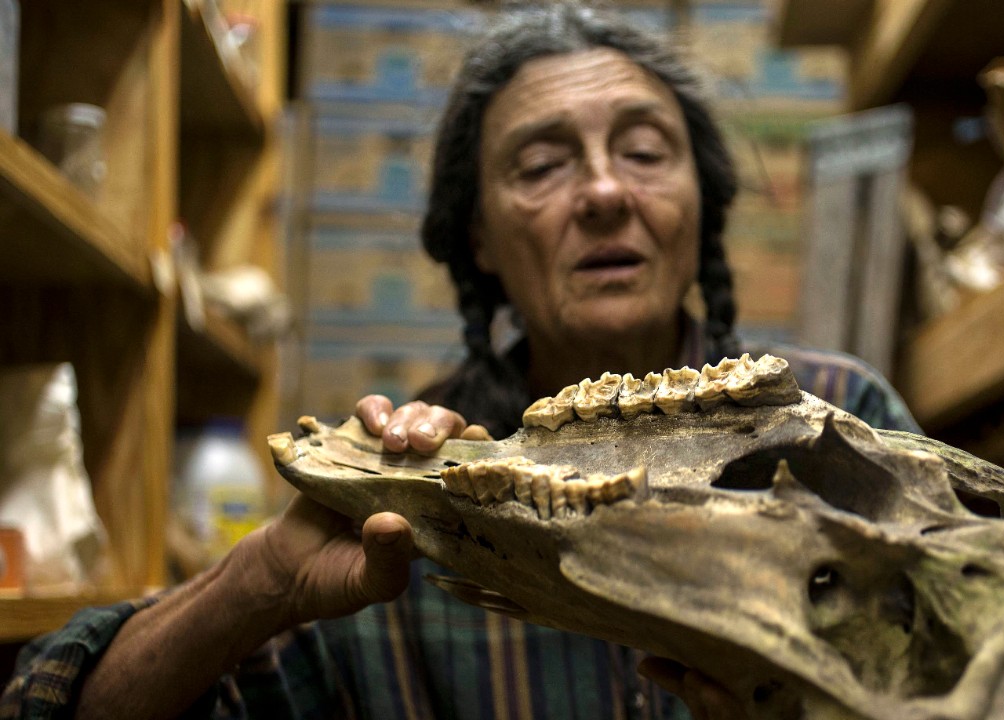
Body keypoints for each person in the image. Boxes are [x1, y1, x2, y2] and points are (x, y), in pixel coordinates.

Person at [1, 4, 920, 719]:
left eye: (644, 152)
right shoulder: (406, 509)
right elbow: (51, 702)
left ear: (700, 204)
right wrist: (264, 582)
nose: (604, 191)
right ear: (477, 236)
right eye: (541, 166)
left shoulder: (840, 421)